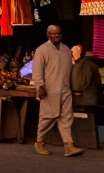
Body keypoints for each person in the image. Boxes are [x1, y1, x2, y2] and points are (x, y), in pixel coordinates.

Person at [32, 25, 85, 157]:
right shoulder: (42, 50)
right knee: (47, 117)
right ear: (48, 35)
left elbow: (70, 70)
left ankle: (68, 146)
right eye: (52, 34)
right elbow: (37, 70)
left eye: (57, 34)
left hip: (65, 89)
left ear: (61, 35)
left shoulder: (67, 50)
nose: (55, 36)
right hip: (50, 89)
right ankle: (40, 142)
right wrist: (40, 86)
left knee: (67, 117)